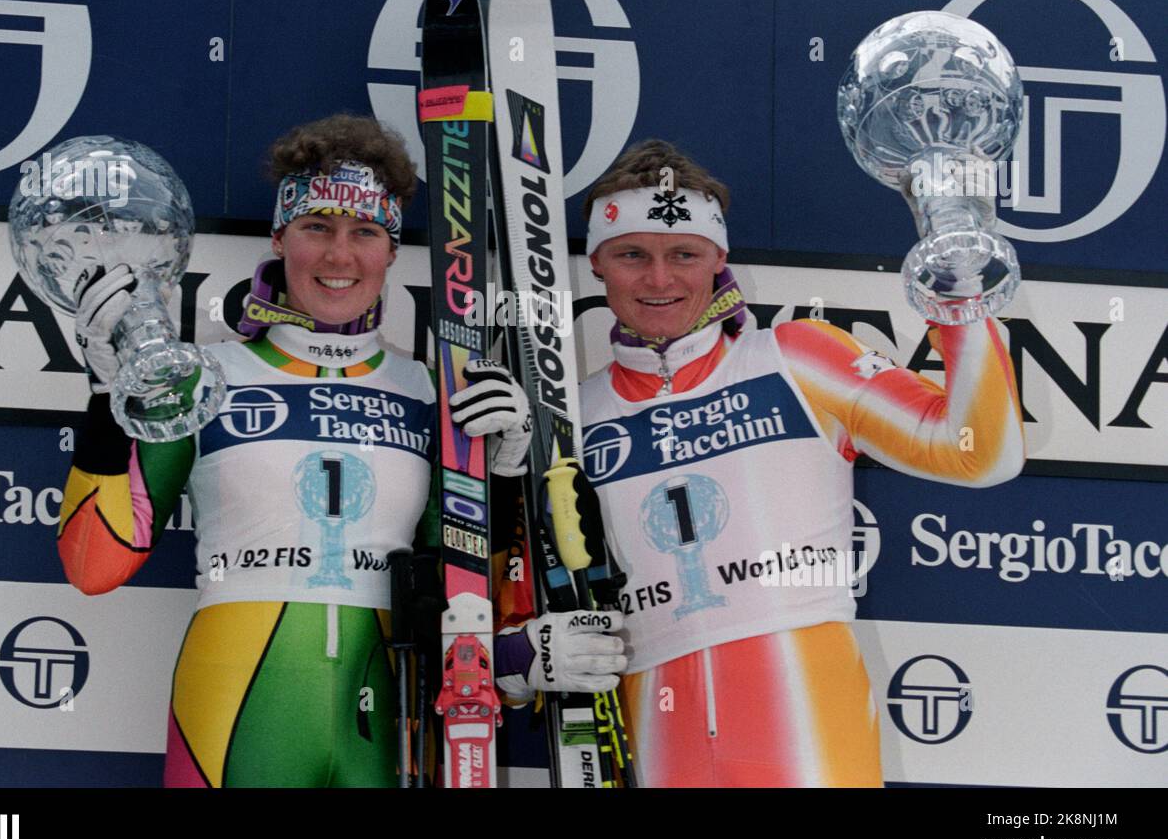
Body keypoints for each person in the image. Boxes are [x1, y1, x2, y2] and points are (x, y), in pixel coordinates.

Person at [56, 114, 537, 787]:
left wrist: (507, 474)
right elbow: (94, 563)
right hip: (235, 704)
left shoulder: (430, 392)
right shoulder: (203, 379)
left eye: (365, 232)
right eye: (317, 228)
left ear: (392, 249)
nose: (340, 257)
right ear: (281, 237)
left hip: (390, 700)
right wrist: (108, 394)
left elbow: (463, 576)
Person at [560, 138, 1025, 787]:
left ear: (718, 258)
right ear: (597, 264)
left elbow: (980, 455)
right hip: (658, 729)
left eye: (683, 254)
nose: (660, 279)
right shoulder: (575, 417)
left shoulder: (796, 358)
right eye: (633, 254)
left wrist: (962, 299)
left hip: (811, 731)